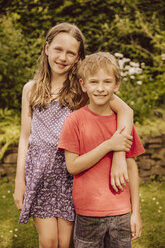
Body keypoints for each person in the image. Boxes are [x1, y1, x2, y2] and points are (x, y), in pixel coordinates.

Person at [13, 23, 133, 248]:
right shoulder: (31, 89)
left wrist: (118, 156)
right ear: (47, 48)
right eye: (58, 49)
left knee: (66, 241)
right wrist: (20, 180)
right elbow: (24, 137)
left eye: (71, 53)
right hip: (39, 172)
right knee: (48, 241)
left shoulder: (82, 89)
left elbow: (126, 111)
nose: (63, 57)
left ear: (78, 58)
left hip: (71, 171)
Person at [58, 52, 145, 248]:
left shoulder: (124, 123)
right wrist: (108, 145)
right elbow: (72, 166)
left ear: (117, 85)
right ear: (83, 85)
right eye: (94, 82)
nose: (100, 88)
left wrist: (136, 212)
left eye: (107, 82)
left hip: (121, 212)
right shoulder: (74, 121)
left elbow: (131, 167)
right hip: (88, 212)